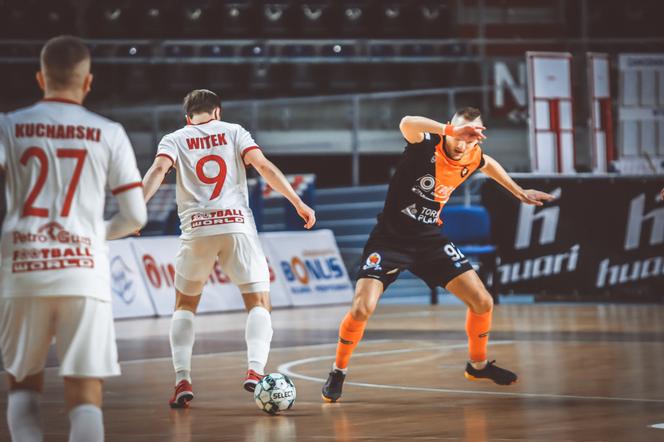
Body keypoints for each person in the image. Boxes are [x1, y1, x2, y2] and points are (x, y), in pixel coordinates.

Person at [322, 107, 555, 402]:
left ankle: (478, 365)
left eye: (470, 139)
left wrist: (517, 190)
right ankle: (338, 370)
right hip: (390, 240)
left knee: (483, 301)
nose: (462, 145)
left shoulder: (473, 155)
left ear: (477, 140)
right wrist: (450, 130)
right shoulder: (425, 145)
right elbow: (407, 122)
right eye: (459, 136)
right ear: (450, 130)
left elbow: (487, 163)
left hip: (429, 241)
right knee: (361, 309)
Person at [0, 36, 147, 441]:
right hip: (83, 270)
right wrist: (93, 234)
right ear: (87, 83)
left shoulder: (9, 125)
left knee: (23, 385)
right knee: (85, 391)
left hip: (22, 267)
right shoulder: (109, 132)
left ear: (40, 77)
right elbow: (135, 215)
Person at [141, 89, 316, 408]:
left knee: (184, 305)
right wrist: (297, 201)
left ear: (187, 117)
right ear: (217, 112)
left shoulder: (174, 138)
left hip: (196, 229)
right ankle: (254, 371)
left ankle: (182, 379)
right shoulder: (235, 132)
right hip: (236, 226)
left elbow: (156, 171)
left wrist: (136, 208)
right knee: (258, 302)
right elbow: (263, 167)